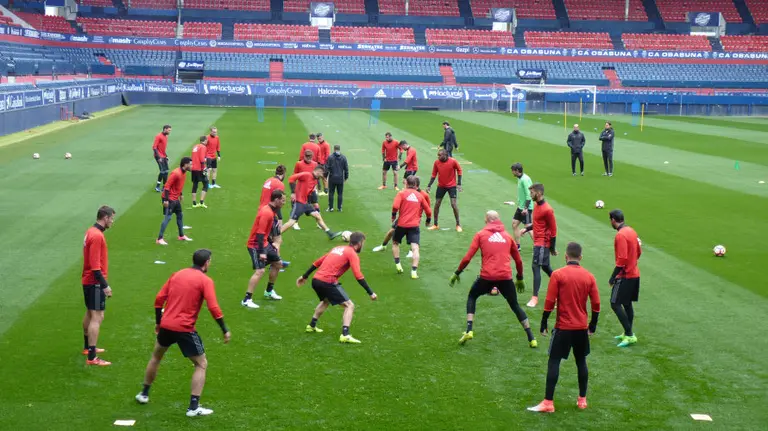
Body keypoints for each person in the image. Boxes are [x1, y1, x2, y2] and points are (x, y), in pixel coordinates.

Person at [135, 249, 231, 417]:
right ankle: (193, 407)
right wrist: (224, 329)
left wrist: (158, 322)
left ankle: (144, 393)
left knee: (156, 357)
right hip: (184, 328)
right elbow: (213, 307)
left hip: (166, 325)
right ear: (207, 262)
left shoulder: (177, 275)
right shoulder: (205, 280)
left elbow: (159, 299)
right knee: (201, 364)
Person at [527, 242, 599, 413]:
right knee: (581, 361)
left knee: (554, 361)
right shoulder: (589, 277)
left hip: (563, 327)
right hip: (581, 328)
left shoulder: (558, 275)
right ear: (580, 257)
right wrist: (593, 325)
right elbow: (596, 303)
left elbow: (550, 301)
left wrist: (544, 321)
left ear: (565, 256)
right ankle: (582, 400)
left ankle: (548, 402)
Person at [449, 210, 536, 348]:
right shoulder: (508, 237)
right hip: (505, 277)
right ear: (498, 220)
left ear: (487, 220)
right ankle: (531, 337)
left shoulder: (481, 235)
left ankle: (469, 330)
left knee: (472, 296)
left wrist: (457, 273)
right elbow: (518, 261)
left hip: (487, 277)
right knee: (515, 305)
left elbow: (468, 257)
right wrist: (519, 278)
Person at [296, 232, 377, 344]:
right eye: (363, 243)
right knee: (349, 306)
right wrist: (370, 292)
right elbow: (358, 275)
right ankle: (345, 335)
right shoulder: (352, 253)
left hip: (316, 280)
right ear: (359, 243)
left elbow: (317, 262)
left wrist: (304, 276)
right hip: (327, 281)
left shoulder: (338, 248)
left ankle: (311, 326)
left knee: (326, 301)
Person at [82, 205, 116, 366]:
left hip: (88, 280)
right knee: (97, 316)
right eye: (112, 218)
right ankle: (92, 357)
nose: (112, 222)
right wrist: (105, 286)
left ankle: (87, 348)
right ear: (105, 218)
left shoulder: (91, 231)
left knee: (90, 313)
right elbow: (95, 267)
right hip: (94, 282)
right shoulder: (97, 236)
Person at [242, 190, 286, 309]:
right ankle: (247, 299)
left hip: (265, 243)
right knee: (260, 271)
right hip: (255, 245)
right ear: (276, 200)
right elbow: (260, 234)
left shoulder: (272, 211)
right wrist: (262, 252)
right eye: (282, 200)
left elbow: (266, 233)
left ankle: (269, 291)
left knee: (278, 264)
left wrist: (272, 244)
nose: (284, 203)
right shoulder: (267, 213)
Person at [519, 183, 557, 308]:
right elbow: (537, 223)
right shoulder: (536, 205)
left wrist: (552, 247)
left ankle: (534, 298)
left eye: (532, 192)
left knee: (536, 267)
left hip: (542, 243)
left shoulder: (547, 209)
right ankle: (561, 289)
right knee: (546, 267)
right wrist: (526, 229)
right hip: (538, 242)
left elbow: (553, 229)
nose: (530, 195)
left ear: (539, 193)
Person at [372, 176, 430, 258]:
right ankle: (383, 245)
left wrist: (426, 219)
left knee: (413, 237)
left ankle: (411, 251)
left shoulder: (424, 195)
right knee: (391, 231)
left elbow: (427, 207)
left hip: (415, 218)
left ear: (416, 185)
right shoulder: (406, 192)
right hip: (403, 217)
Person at [608, 209, 641, 348]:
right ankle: (628, 333)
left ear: (613, 220)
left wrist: (613, 276)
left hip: (625, 275)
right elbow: (639, 251)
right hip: (634, 273)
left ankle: (629, 334)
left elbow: (621, 259)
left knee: (614, 303)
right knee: (627, 303)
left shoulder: (621, 235)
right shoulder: (631, 231)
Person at [281, 167, 340, 239]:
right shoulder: (306, 175)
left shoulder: (315, 181)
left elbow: (309, 192)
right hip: (299, 203)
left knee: (317, 215)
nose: (322, 177)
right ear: (319, 172)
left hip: (305, 203)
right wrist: (293, 192)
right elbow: (291, 178)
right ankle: (276, 234)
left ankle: (330, 233)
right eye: (322, 174)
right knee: (292, 222)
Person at [391, 175, 432, 279]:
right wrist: (428, 221)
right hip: (414, 225)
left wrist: (393, 216)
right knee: (415, 248)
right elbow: (428, 211)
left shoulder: (401, 193)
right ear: (415, 185)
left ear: (407, 183)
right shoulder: (419, 196)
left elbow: (395, 206)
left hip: (401, 224)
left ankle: (398, 264)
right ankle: (414, 271)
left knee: (395, 243)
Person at [157, 157, 194, 245]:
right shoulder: (176, 173)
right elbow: (167, 186)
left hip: (175, 198)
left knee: (180, 215)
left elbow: (177, 185)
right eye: (190, 164)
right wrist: (165, 200)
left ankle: (181, 235)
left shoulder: (183, 173)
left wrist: (180, 194)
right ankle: (159, 239)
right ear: (185, 164)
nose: (192, 166)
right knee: (168, 218)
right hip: (169, 198)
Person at [426, 149, 463, 232]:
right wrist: (429, 185)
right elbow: (433, 174)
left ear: (445, 155)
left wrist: (459, 183)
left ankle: (458, 224)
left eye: (440, 155)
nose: (438, 157)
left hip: (452, 186)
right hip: (441, 186)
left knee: (453, 204)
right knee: (437, 204)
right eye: (438, 155)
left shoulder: (453, 161)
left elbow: (459, 170)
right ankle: (435, 224)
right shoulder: (436, 163)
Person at [260, 165, 286, 250]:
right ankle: (276, 261)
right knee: (277, 240)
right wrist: (280, 218)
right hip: (270, 213)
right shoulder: (280, 184)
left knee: (269, 238)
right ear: (284, 174)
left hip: (262, 210)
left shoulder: (268, 180)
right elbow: (278, 202)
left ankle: (275, 260)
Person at [291, 151, 319, 231]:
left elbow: (316, 177)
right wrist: (294, 190)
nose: (308, 159)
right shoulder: (299, 164)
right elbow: (294, 175)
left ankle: (318, 222)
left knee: (316, 204)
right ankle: (295, 223)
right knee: (297, 206)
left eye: (310, 157)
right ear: (304, 156)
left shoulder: (315, 164)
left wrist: (315, 187)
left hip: (311, 188)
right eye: (307, 157)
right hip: (301, 188)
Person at [511, 162, 533, 250]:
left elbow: (529, 195)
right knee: (514, 224)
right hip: (521, 207)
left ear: (517, 171)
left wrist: (525, 208)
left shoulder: (525, 180)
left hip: (526, 208)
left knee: (529, 228)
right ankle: (517, 246)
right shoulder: (520, 178)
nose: (512, 172)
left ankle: (538, 247)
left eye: (513, 171)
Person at [325, 144, 348, 212]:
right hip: (340, 178)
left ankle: (331, 207)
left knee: (331, 193)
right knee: (340, 193)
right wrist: (346, 177)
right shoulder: (343, 157)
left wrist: (325, 176)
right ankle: (339, 208)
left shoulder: (330, 157)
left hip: (332, 178)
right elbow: (346, 169)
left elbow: (327, 168)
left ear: (334, 149)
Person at [190, 135, 209, 209]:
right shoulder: (203, 147)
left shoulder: (195, 146)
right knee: (206, 183)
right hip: (199, 168)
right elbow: (201, 159)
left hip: (193, 168)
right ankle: (201, 202)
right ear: (204, 140)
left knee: (195, 184)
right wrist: (204, 168)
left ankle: (194, 203)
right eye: (207, 140)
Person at [153, 125, 171, 192]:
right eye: (169, 130)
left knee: (166, 171)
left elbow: (162, 148)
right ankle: (157, 186)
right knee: (162, 171)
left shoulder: (166, 136)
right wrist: (158, 157)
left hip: (163, 156)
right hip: (159, 157)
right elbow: (154, 147)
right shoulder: (158, 136)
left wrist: (166, 156)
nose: (169, 131)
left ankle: (164, 187)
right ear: (165, 129)